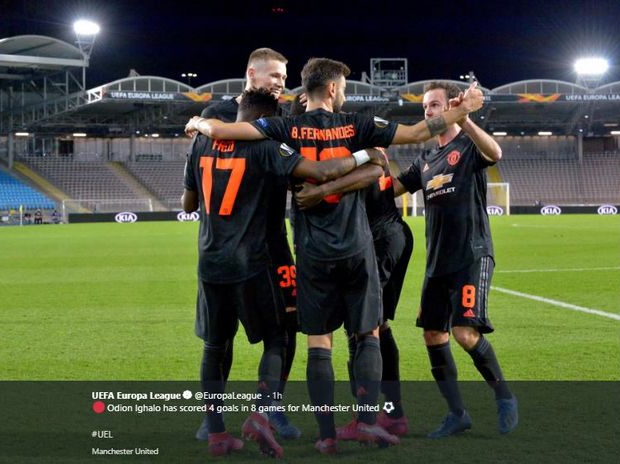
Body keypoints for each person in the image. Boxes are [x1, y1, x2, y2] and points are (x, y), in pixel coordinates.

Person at [185, 57, 483, 454]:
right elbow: (411, 135)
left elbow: (220, 137)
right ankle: (360, 420)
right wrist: (461, 111)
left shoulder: (280, 128)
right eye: (342, 86)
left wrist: (200, 125)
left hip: (301, 252)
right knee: (365, 333)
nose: (344, 92)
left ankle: (319, 433)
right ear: (330, 89)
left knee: (314, 341)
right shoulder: (355, 126)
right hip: (352, 246)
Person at [183, 88, 384, 457]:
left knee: (214, 345)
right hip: (252, 260)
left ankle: (215, 434)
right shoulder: (267, 146)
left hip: (209, 261)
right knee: (278, 337)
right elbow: (321, 171)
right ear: (267, 120)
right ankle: (262, 412)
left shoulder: (199, 144)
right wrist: (365, 153)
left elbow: (188, 202)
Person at [393, 81, 517, 438]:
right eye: (426, 108)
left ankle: (504, 395)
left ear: (450, 108)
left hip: (471, 254)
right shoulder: (425, 160)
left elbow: (495, 153)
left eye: (434, 105)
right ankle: (457, 413)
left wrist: (465, 119)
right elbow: (392, 189)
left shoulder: (467, 146)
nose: (428, 112)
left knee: (464, 332)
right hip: (437, 263)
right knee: (433, 334)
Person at [194, 47, 301, 442]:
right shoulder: (217, 114)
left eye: (284, 78)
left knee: (287, 328)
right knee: (224, 338)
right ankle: (214, 418)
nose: (281, 83)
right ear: (252, 73)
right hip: (238, 241)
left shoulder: (282, 117)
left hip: (273, 242)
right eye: (275, 76)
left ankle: (270, 409)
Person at [296, 147, 414, 439]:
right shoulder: (356, 147)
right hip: (383, 236)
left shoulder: (349, 149)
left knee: (364, 325)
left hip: (379, 238)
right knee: (375, 323)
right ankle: (388, 413)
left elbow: (375, 168)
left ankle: (371, 416)